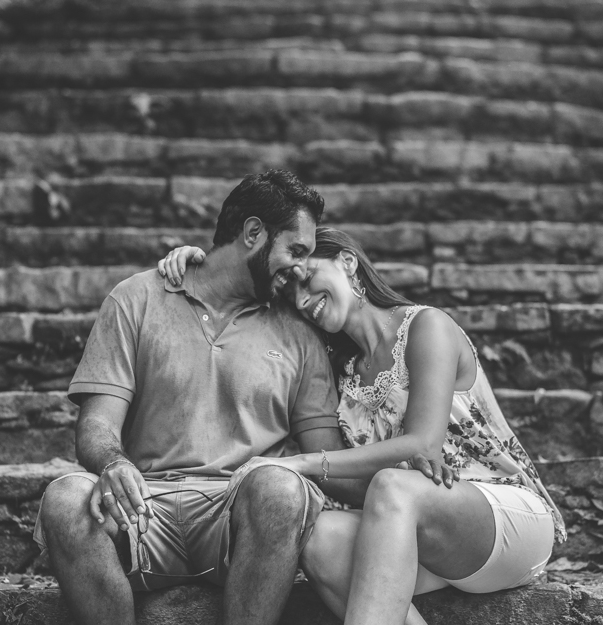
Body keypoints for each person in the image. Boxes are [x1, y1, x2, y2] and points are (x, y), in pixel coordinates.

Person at [34, 170, 450, 625]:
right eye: (295, 250)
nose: (300, 269)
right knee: (65, 499)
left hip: (240, 516)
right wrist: (113, 463)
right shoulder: (136, 298)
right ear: (253, 233)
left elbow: (325, 459)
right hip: (141, 509)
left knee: (279, 487)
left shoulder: (298, 330)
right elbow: (96, 426)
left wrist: (404, 478)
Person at [158, 227, 567, 625]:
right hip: (414, 532)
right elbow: (252, 315)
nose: (302, 300)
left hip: (503, 519)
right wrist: (205, 268)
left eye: (307, 279)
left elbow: (422, 445)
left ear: (348, 262)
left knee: (391, 485)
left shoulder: (427, 327)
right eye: (292, 293)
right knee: (318, 537)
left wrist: (302, 463)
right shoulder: (343, 372)